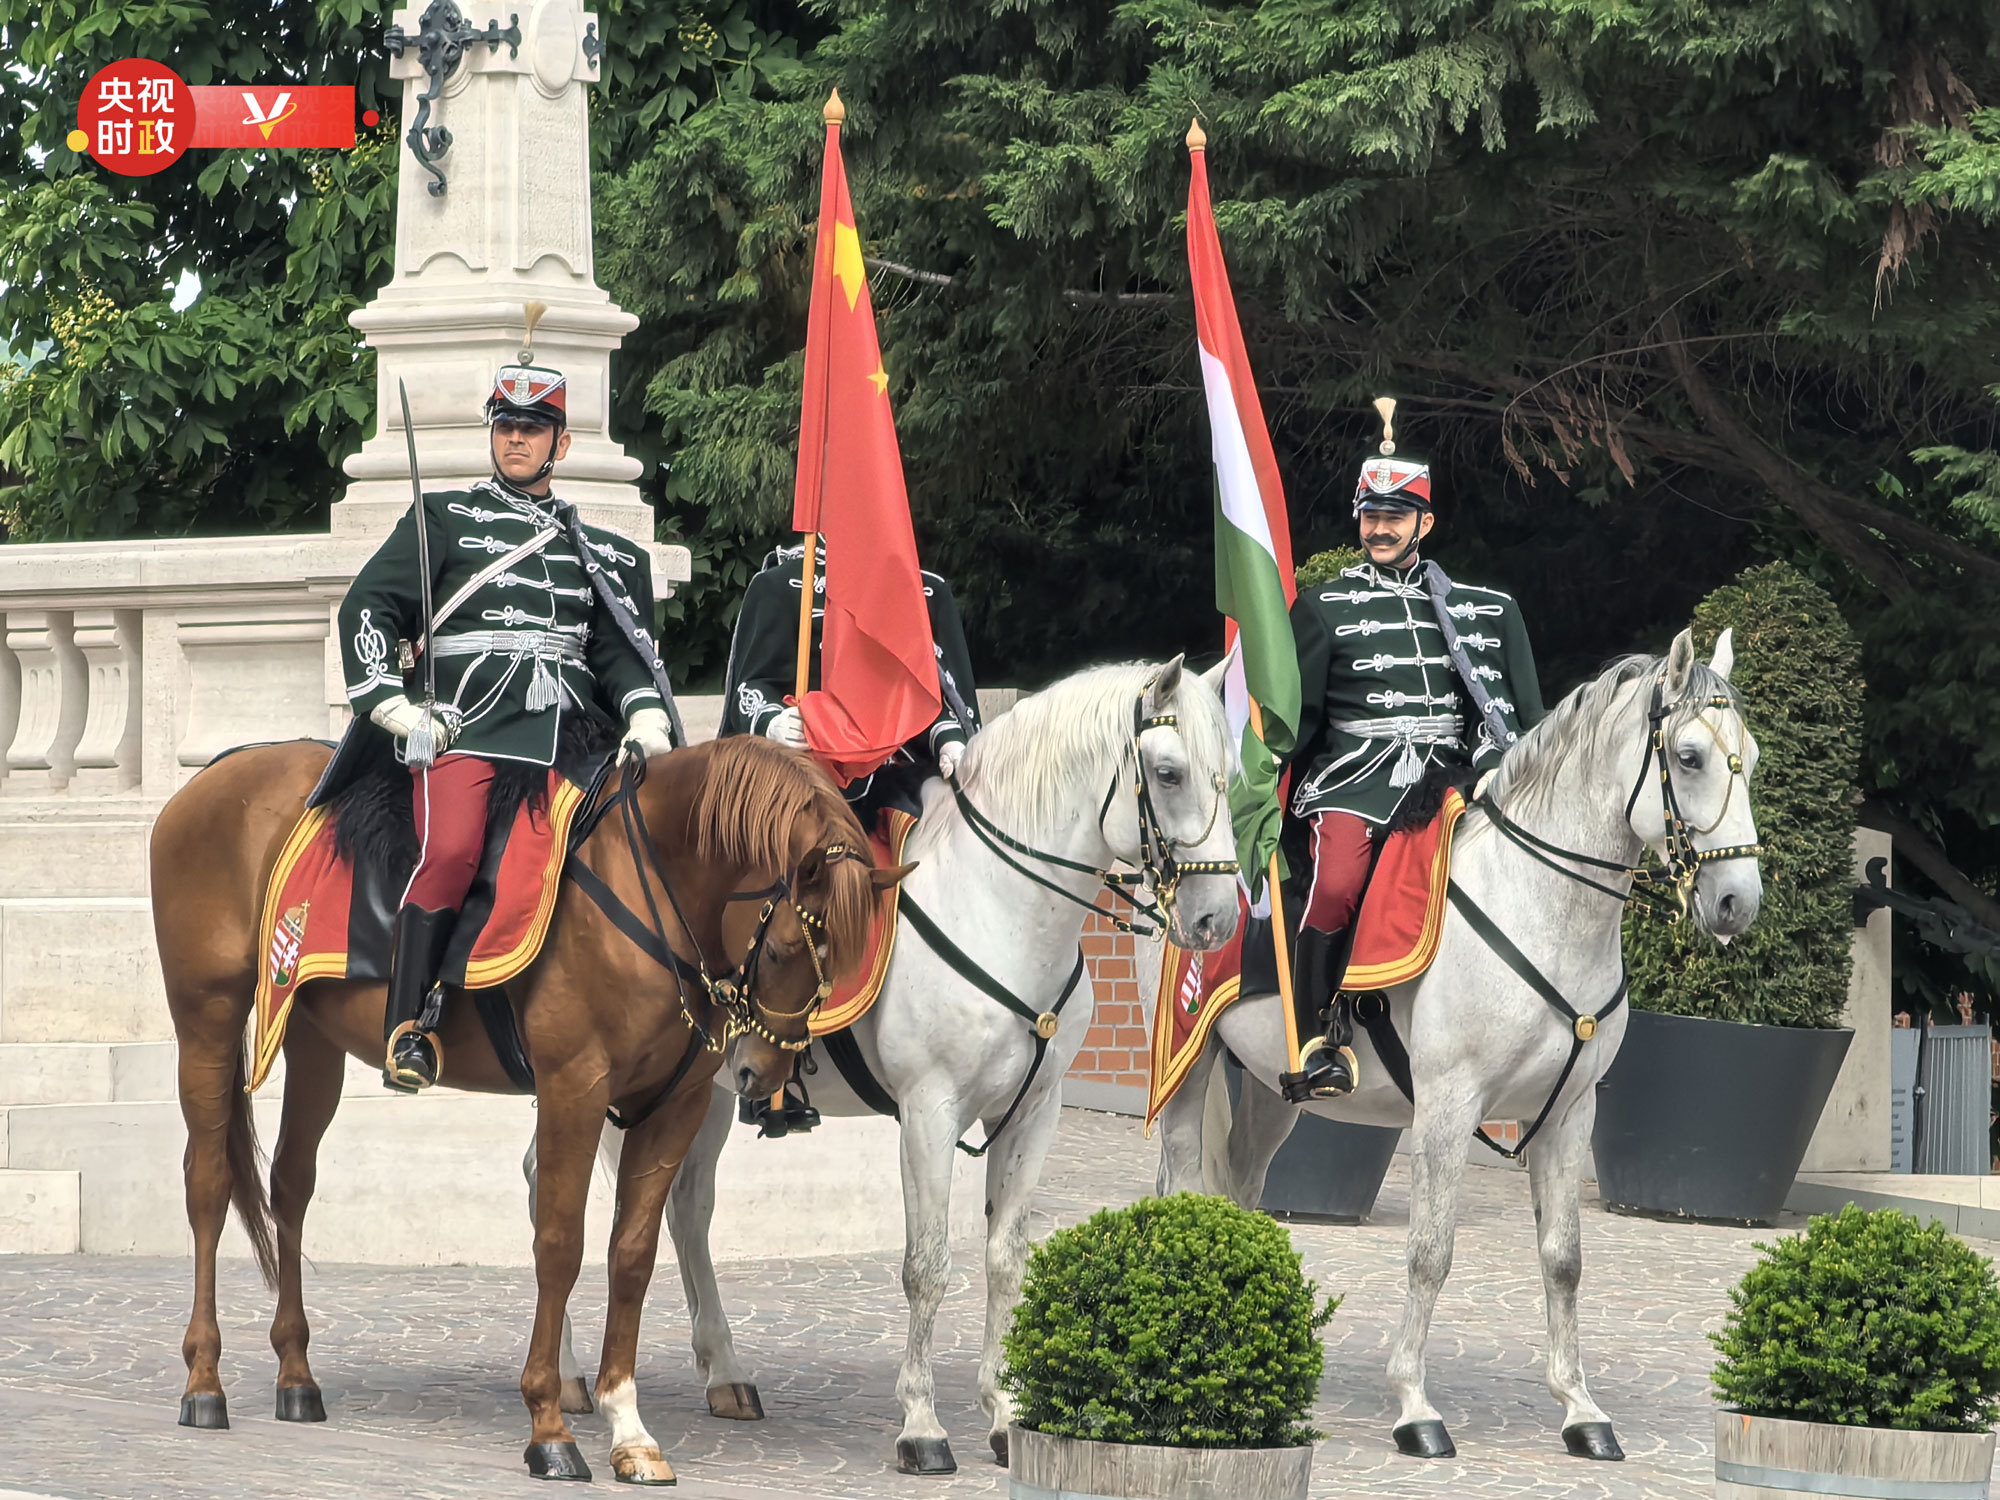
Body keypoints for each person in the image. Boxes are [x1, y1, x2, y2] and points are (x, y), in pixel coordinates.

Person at [331, 360, 677, 1092]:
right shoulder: (442, 521)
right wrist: (393, 704)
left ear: (562, 443)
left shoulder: (604, 554)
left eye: (533, 428)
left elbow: (619, 654)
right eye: (507, 426)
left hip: (568, 737)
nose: (517, 439)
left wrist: (645, 715)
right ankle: (409, 1028)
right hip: (465, 725)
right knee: (452, 848)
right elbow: (368, 607)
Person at [1276, 403, 1544, 1102]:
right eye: (1370, 516)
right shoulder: (1323, 606)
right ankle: (1317, 1039)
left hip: (1452, 782)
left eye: (1396, 516)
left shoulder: (1486, 610)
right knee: (1336, 882)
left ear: (1425, 523)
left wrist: (1495, 772)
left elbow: (1518, 717)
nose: (1380, 528)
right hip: (1354, 780)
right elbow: (1296, 724)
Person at [718, 539, 979, 824]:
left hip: (899, 770)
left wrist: (948, 739)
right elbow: (753, 683)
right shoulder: (783, 585)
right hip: (803, 766)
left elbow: (927, 695)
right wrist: (773, 721)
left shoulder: (924, 591)